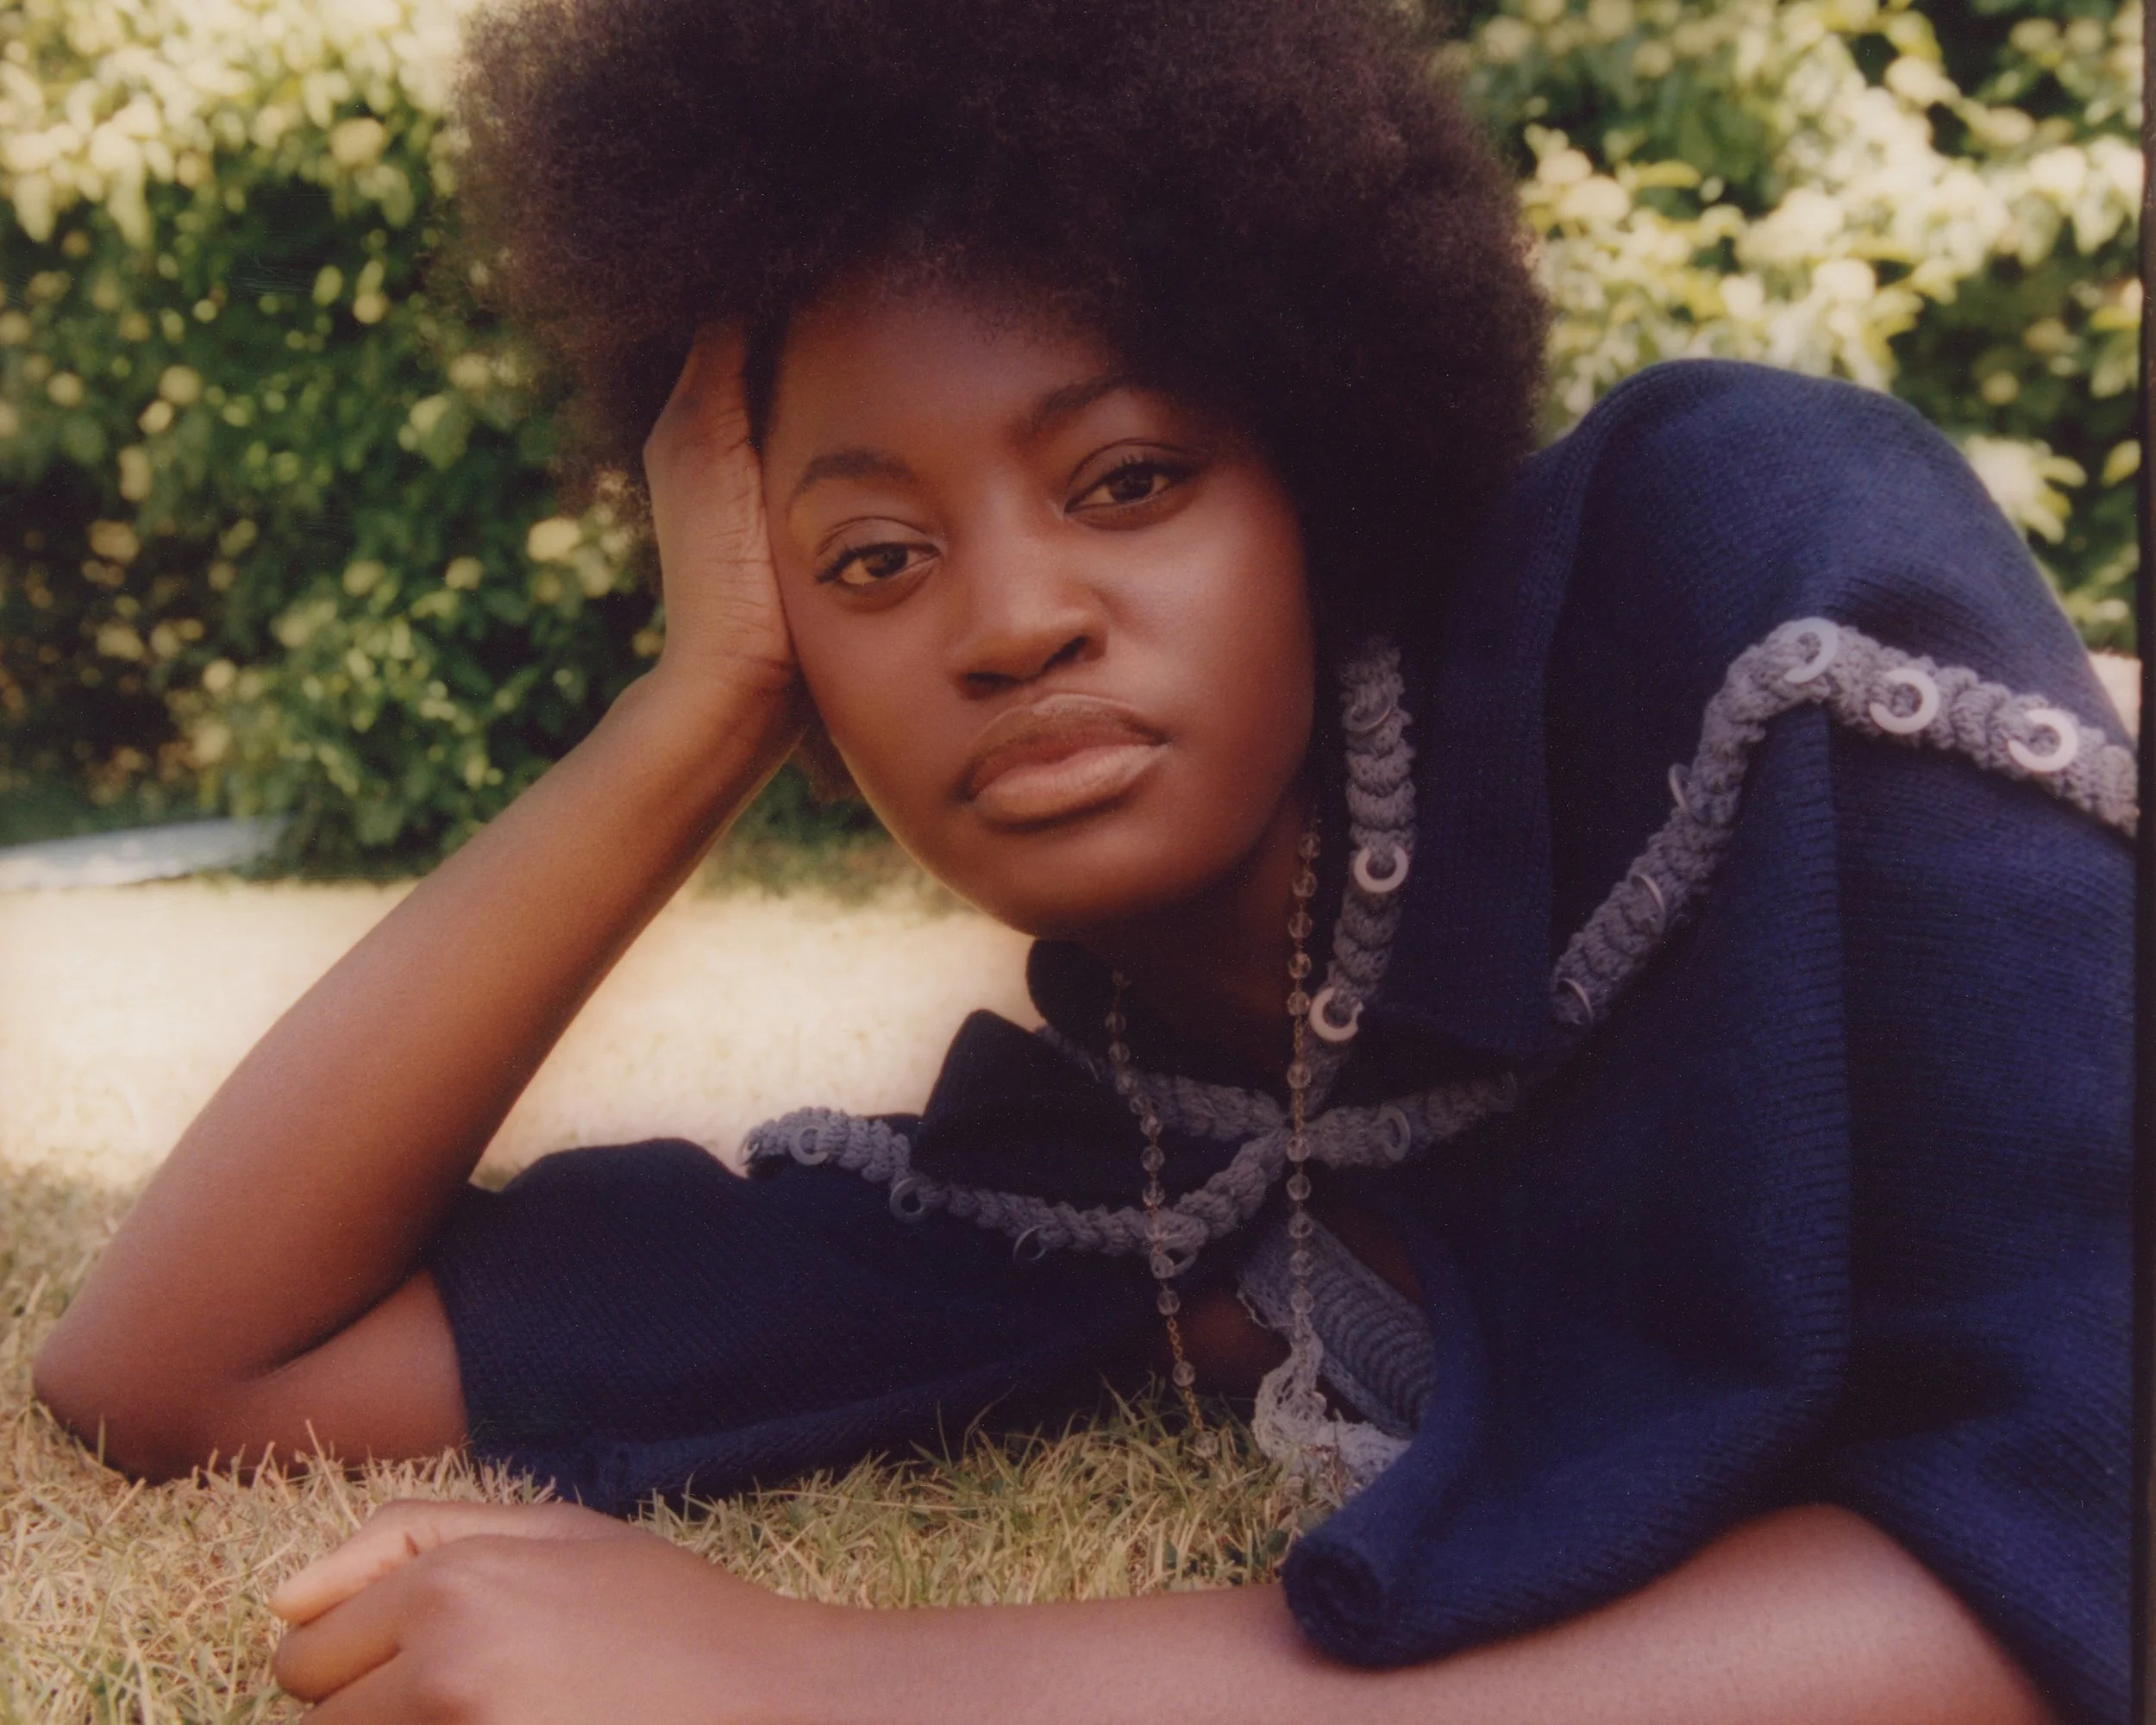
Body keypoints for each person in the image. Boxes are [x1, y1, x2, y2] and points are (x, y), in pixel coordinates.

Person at [30, 0, 2131, 1720]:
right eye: (872, 559)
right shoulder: (1129, 1166)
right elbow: (185, 1368)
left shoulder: (1740, 603)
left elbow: (2069, 1555)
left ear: (1321, 458)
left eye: (1128, 478)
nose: (1010, 617)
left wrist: (820, 1683)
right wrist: (695, 710)